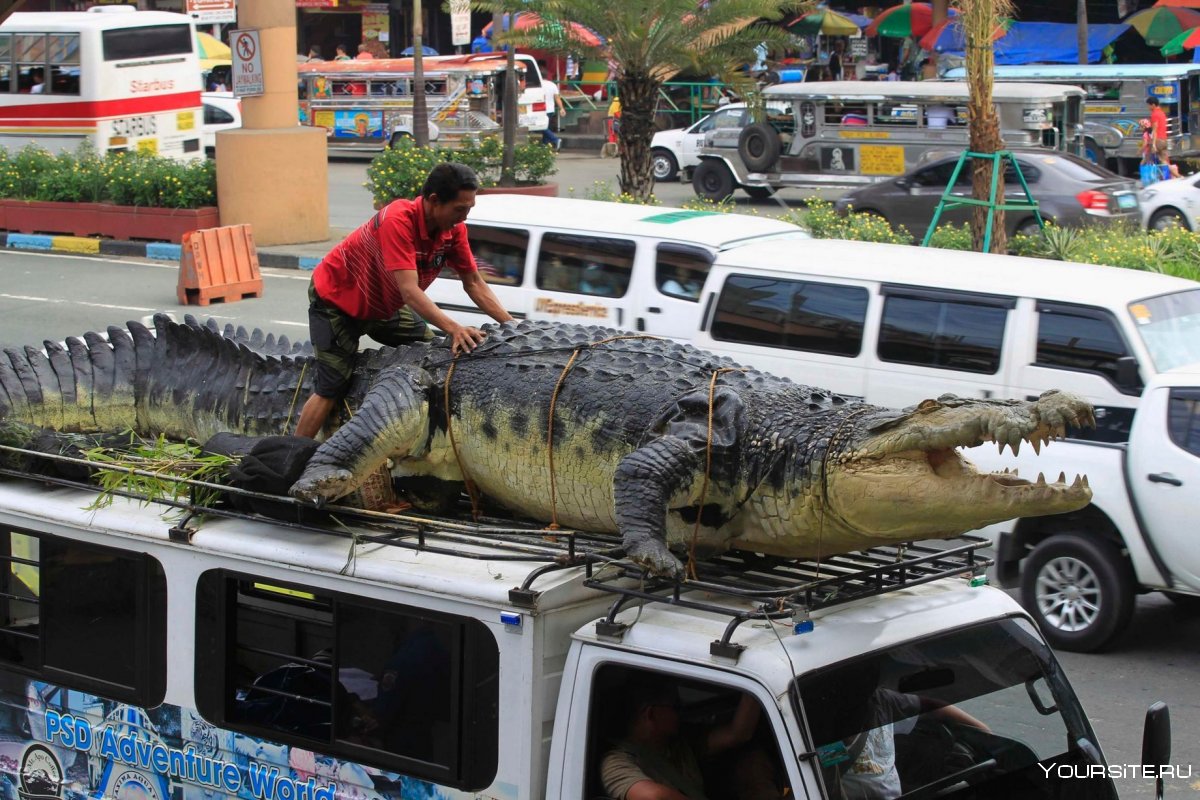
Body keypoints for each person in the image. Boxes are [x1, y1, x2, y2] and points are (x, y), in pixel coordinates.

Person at [294, 163, 514, 439]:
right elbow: (410, 292)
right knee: (332, 384)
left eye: (469, 208)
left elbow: (473, 283)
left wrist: (511, 325)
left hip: (382, 305)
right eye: (460, 209)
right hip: (337, 300)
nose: (465, 217)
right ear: (434, 201)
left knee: (433, 352)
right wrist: (455, 327)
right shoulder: (397, 219)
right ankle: (293, 454)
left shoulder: (454, 230)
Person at [600, 676, 784, 800]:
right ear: (651, 714)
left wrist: (753, 684)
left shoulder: (678, 744)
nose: (681, 713)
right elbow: (653, 797)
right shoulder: (616, 762)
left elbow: (738, 734)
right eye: (675, 706)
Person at [1146, 96, 1175, 175]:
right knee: (1165, 160)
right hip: (1164, 139)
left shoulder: (1154, 114)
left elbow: (1155, 130)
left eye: (1148, 105)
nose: (1148, 107)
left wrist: (1154, 144)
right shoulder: (1162, 113)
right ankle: (1173, 176)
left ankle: (1150, 178)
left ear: (1153, 105)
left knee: (1147, 159)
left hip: (1158, 140)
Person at [540, 66, 564, 150]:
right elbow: (557, 98)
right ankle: (545, 145)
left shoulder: (538, 84)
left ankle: (555, 139)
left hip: (541, 109)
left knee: (542, 127)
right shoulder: (552, 84)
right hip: (550, 109)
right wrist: (561, 108)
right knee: (546, 127)